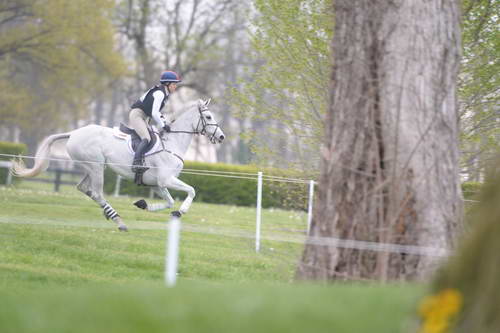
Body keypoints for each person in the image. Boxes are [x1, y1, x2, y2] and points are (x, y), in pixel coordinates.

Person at [129, 70, 181, 173]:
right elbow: (154, 112)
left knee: (154, 136)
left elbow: (158, 113)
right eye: (174, 84)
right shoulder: (160, 93)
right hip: (137, 115)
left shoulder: (164, 93)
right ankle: (136, 163)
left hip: (145, 117)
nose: (175, 86)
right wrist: (163, 125)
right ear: (167, 84)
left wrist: (165, 123)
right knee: (147, 138)